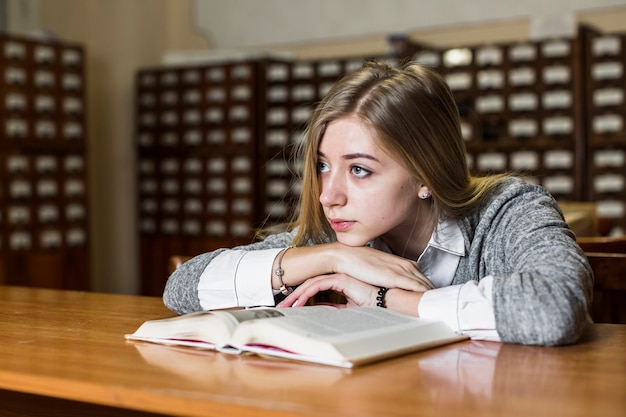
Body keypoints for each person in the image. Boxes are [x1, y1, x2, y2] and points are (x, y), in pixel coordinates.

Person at [163, 60, 593, 346]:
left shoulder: (508, 210)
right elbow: (181, 288)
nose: (328, 195)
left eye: (360, 170)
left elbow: (553, 309)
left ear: (425, 174)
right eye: (323, 166)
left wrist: (387, 300)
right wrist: (332, 257)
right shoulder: (337, 235)